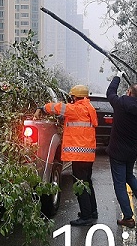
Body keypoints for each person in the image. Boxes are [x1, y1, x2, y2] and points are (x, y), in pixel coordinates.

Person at [34, 84, 98, 226]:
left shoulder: (76, 108)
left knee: (80, 184)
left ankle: (86, 216)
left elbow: (57, 107)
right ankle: (92, 211)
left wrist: (42, 108)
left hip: (79, 155)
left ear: (74, 97)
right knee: (87, 183)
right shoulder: (88, 108)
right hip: (87, 155)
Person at [106, 72, 137, 228]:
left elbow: (110, 92)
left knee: (120, 184)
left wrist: (116, 77)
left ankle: (128, 217)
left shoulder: (121, 103)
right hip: (131, 151)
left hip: (117, 151)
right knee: (129, 175)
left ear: (129, 92)